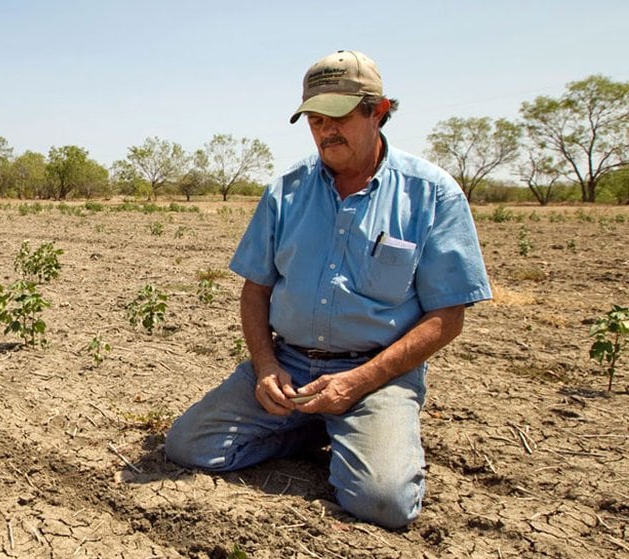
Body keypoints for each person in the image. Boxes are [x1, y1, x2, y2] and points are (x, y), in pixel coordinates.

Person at [164, 50, 491, 529]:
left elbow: (448, 316)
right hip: (290, 365)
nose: (325, 131)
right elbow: (255, 290)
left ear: (378, 112)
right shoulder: (286, 191)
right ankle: (308, 425)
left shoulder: (431, 193)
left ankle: (357, 431)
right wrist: (266, 366)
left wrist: (355, 384)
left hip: (374, 375)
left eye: (338, 116)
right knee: (188, 446)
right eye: (315, 119)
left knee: (383, 503)